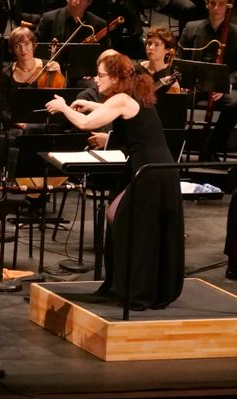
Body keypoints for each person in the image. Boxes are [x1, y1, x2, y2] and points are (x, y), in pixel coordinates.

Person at [46, 53, 184, 310]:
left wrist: (64, 108)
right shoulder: (130, 95)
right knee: (117, 216)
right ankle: (123, 282)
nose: (95, 80)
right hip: (150, 166)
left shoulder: (121, 98)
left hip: (151, 170)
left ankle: (136, 286)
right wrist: (92, 105)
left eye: (100, 75)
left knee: (128, 222)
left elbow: (86, 124)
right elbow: (115, 112)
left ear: (115, 77)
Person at [177, 0, 237, 161]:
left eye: (220, 4)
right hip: (194, 85)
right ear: (206, 5)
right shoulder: (191, 27)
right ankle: (175, 146)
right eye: (212, 3)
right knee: (174, 100)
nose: (216, 8)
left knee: (234, 104)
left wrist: (226, 84)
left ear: (227, 7)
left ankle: (211, 149)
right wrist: (184, 83)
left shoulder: (235, 33)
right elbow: (179, 59)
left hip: (219, 88)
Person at [0, 26, 61, 132]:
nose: (23, 49)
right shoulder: (6, 73)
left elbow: (60, 95)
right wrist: (16, 123)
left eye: (26, 44)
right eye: (17, 46)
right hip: (17, 124)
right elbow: (2, 107)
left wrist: (58, 73)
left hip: (44, 121)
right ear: (12, 50)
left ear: (33, 45)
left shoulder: (48, 67)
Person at [137, 25, 180, 95]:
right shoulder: (137, 71)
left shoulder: (171, 74)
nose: (151, 47)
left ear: (168, 50)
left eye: (156, 45)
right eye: (149, 43)